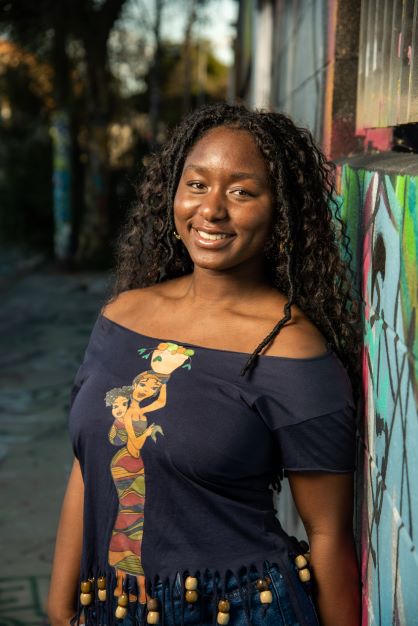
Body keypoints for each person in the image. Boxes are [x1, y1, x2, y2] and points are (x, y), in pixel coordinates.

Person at [47, 102, 362, 626]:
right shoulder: (122, 316)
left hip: (239, 610)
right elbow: (87, 463)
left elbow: (329, 533)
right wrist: (60, 610)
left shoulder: (290, 351)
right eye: (197, 185)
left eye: (241, 191)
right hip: (111, 605)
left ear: (280, 211)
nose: (212, 209)